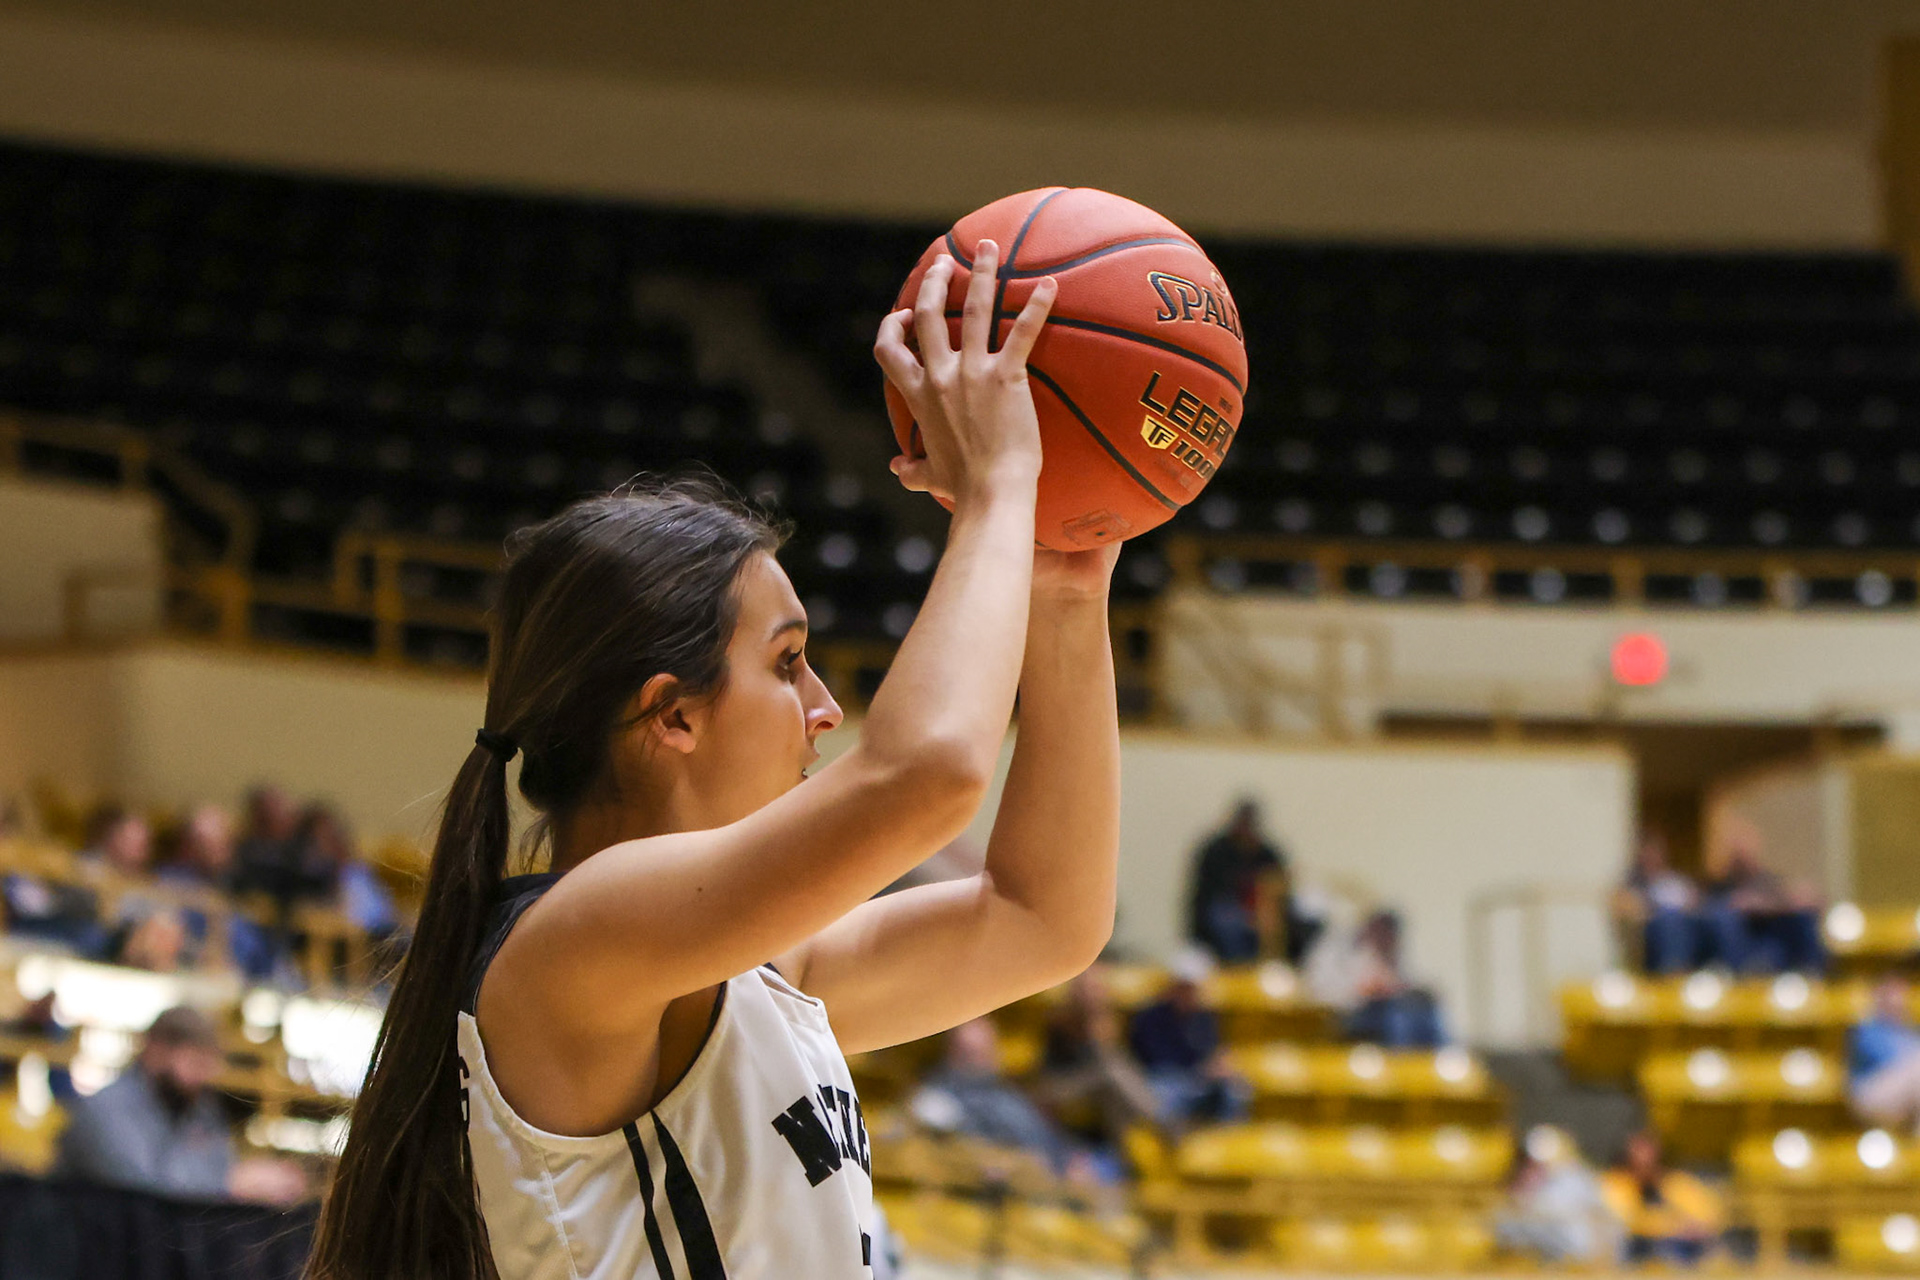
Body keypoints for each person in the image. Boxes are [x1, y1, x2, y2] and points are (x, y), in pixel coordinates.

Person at [307, 247, 1122, 1280]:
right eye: (788, 663)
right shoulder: (575, 943)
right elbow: (926, 775)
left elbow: (1045, 915)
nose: (825, 708)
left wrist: (1065, 590)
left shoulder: (762, 971)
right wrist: (1004, 491)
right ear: (672, 716)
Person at [54, 1005, 305, 1204]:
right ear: (157, 1050)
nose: (204, 1076)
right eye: (195, 1062)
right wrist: (231, 1183)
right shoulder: (104, 1110)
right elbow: (143, 1187)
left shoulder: (198, 1107)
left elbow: (219, 1161)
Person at [914, 1018, 1084, 1179]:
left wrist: (1067, 1161)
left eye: (987, 1051)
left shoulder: (1008, 1096)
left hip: (1043, 1180)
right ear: (952, 1052)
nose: (983, 1061)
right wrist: (1013, 1163)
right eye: (973, 1053)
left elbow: (1044, 1140)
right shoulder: (933, 1099)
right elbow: (953, 1150)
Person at [1034, 966, 1160, 1165]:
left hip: (1098, 1085)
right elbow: (1053, 1072)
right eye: (1086, 990)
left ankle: (1128, 1161)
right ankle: (1161, 1120)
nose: (1091, 995)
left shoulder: (1109, 1022)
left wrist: (1102, 1039)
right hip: (1061, 1086)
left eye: (1095, 989)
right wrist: (1094, 1039)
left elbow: (1120, 1063)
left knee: (1112, 1091)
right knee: (1112, 1074)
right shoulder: (1060, 1022)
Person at [1127, 948, 1249, 1125]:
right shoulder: (1150, 1018)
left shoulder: (1204, 1018)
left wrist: (1218, 1066)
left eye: (1192, 989)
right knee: (1164, 1093)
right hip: (1162, 1081)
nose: (1189, 994)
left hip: (1196, 1082)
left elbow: (1210, 1052)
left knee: (1236, 1089)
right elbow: (1158, 1061)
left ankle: (1226, 1141)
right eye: (1184, 988)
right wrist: (1202, 1071)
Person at [1310, 909, 1448, 1048]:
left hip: (1388, 1005)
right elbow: (1327, 993)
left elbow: (1403, 982)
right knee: (1396, 1018)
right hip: (1353, 1014)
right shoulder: (1347, 953)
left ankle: (1444, 1057)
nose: (1387, 940)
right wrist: (1366, 990)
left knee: (1427, 1010)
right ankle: (1400, 1063)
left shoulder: (1391, 957)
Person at [1701, 831, 1825, 975]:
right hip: (1740, 938)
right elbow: (1709, 906)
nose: (1743, 857)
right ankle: (1740, 976)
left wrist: (1769, 904)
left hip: (1772, 934)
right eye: (1738, 853)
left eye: (1746, 852)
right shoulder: (1721, 884)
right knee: (1724, 918)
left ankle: (1811, 973)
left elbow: (1790, 899)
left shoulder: (1769, 880)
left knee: (1803, 916)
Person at [1495, 1126, 1621, 1265]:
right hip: (1569, 1252)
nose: (1531, 1167)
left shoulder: (1572, 1179)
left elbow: (1553, 1217)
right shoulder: (1552, 1178)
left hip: (1583, 1252)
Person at [1599, 1130, 1724, 1266]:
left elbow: (1707, 1214)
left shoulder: (1674, 1182)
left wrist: (1696, 1227)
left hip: (1681, 1244)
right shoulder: (1616, 1183)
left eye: (1650, 1159)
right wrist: (1674, 1227)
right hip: (1639, 1246)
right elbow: (1626, 1220)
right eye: (1638, 1158)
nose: (1645, 1164)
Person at [1614, 831, 1711, 974]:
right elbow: (1626, 906)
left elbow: (1697, 904)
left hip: (1686, 926)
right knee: (1669, 919)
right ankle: (1673, 972)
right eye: (1648, 852)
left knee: (1717, 919)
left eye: (1656, 852)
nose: (1652, 857)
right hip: (1654, 931)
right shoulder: (1633, 884)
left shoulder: (1676, 880)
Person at [1849, 974, 1920, 1134]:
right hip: (1869, 1093)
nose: (1897, 1000)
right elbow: (1890, 1060)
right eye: (1891, 994)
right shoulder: (1867, 1028)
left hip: (1903, 1095)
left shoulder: (1908, 1029)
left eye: (1900, 994)